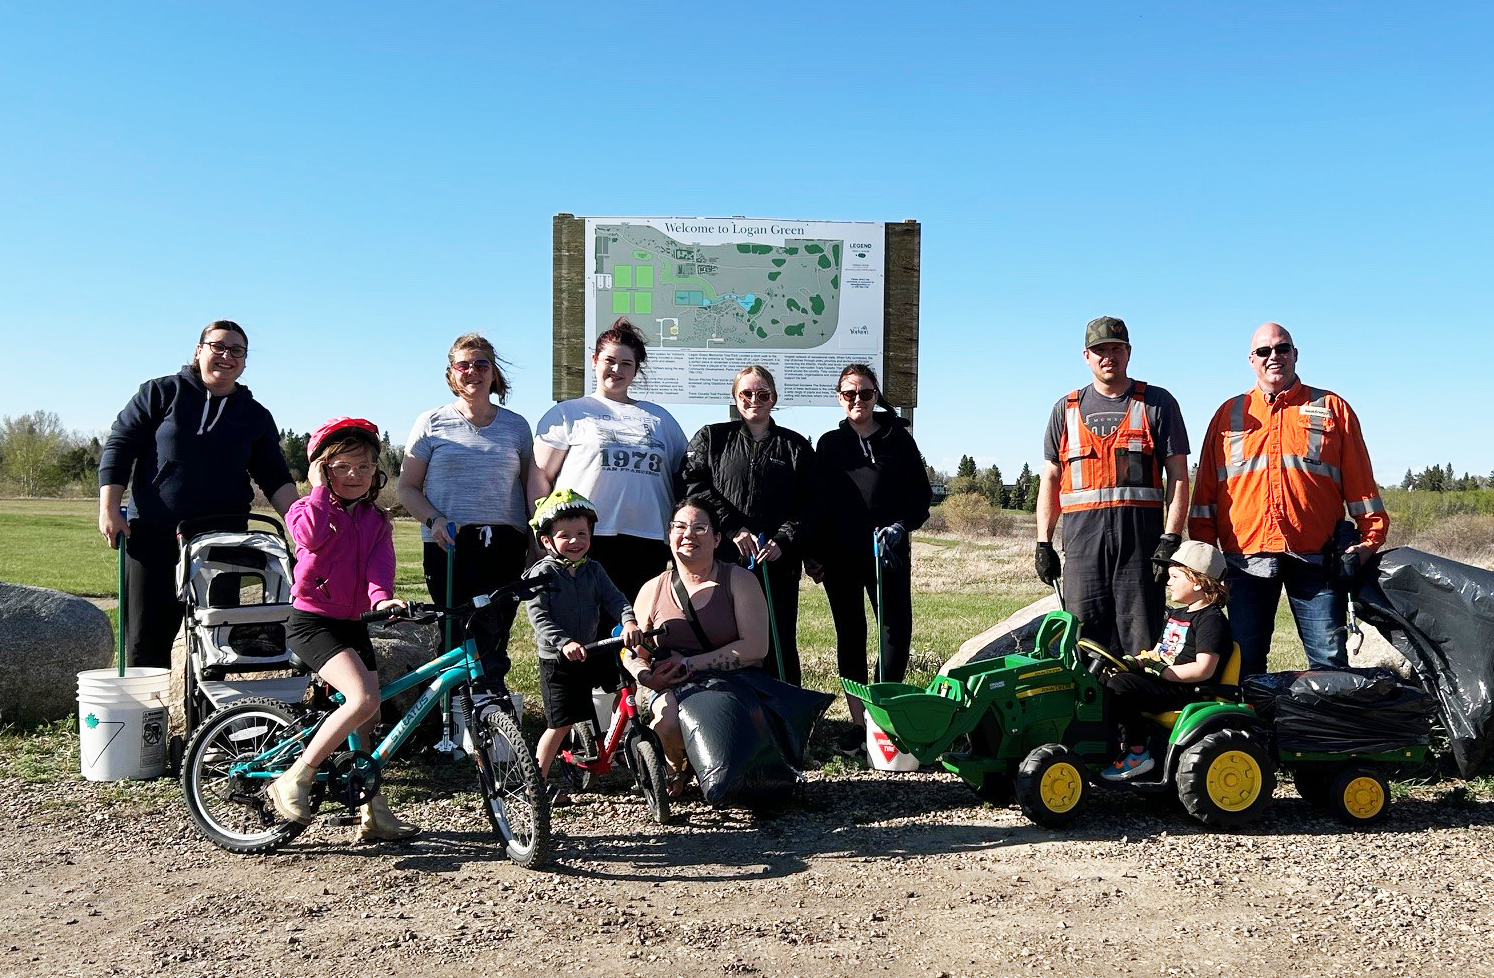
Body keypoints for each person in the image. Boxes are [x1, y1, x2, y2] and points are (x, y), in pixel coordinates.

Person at [97, 320, 299, 670]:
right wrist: (109, 508)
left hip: (223, 545)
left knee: (217, 646)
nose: (226, 355)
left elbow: (275, 478)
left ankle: (209, 722)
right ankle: (147, 722)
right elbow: (119, 447)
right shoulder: (159, 393)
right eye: (218, 346)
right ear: (198, 350)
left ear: (245, 361)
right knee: (145, 643)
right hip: (153, 538)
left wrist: (303, 528)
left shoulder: (254, 415)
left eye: (237, 350)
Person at [1189, 322, 1388, 676]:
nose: (1274, 357)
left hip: (1316, 557)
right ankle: (1252, 730)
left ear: (1295, 354)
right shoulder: (1228, 415)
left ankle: (1325, 730)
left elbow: (1361, 485)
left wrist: (1368, 542)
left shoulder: (1332, 408)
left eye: (1282, 349)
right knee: (1243, 663)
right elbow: (1205, 494)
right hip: (1244, 560)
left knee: (1329, 664)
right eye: (1264, 351)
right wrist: (1206, 562)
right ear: (1251, 360)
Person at [267, 418, 416, 842]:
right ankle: (296, 778)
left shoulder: (375, 519)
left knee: (368, 717)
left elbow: (378, 566)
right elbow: (309, 539)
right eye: (343, 467)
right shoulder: (305, 509)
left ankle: (375, 812)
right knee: (363, 698)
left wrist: (382, 597)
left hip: (352, 623)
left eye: (365, 467)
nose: (355, 476)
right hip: (312, 621)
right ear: (323, 468)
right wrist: (315, 490)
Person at [1035, 316, 1190, 658]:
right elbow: (1050, 478)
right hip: (1082, 546)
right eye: (1100, 349)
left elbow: (1178, 475)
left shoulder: (1157, 403)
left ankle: (1139, 710)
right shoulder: (1065, 409)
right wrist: (1043, 543)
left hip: (1140, 546)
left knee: (1142, 643)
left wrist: (1171, 538)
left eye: (1116, 349)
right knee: (1083, 642)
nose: (1108, 356)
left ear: (1129, 353)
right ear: (1086, 356)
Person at [532, 317, 688, 636]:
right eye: (610, 361)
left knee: (637, 622)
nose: (616, 370)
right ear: (594, 362)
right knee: (586, 623)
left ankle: (629, 685)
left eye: (626, 364)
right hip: (587, 536)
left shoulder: (661, 419)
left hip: (647, 537)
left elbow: (681, 477)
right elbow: (538, 477)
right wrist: (540, 532)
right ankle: (591, 686)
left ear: (636, 369)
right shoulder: (568, 413)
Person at [398, 333, 533, 694]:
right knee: (455, 636)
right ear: (452, 374)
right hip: (450, 545)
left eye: (481, 364)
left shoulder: (517, 426)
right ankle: (454, 719)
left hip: (505, 544)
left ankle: (491, 713)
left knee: (495, 633)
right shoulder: (431, 422)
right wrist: (434, 519)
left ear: (493, 372)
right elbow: (407, 487)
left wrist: (534, 542)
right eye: (464, 365)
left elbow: (527, 488)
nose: (472, 371)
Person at [810, 364, 932, 741]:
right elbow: (818, 502)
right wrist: (812, 552)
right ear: (839, 398)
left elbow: (920, 496)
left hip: (888, 553)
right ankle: (858, 721)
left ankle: (883, 714)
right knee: (851, 634)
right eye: (849, 394)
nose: (858, 400)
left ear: (876, 395)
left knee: (896, 632)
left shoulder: (899, 439)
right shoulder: (829, 444)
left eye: (865, 393)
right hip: (840, 555)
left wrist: (901, 525)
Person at [680, 365, 819, 685]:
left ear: (774, 398)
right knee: (722, 635)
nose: (754, 399)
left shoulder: (795, 446)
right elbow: (695, 487)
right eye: (746, 393)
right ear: (735, 398)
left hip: (776, 563)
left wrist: (784, 540)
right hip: (723, 558)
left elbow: (813, 501)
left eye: (763, 394)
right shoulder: (712, 438)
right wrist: (732, 529)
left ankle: (782, 715)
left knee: (777, 638)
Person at [623, 498, 769, 793]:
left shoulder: (739, 580)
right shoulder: (652, 589)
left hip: (734, 682)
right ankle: (680, 768)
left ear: (716, 539)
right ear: (669, 535)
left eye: (700, 528)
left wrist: (689, 663)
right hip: (671, 686)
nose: (688, 534)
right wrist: (647, 677)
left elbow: (756, 647)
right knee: (667, 723)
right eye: (680, 527)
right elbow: (630, 651)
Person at [523, 490, 643, 804]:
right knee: (559, 725)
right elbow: (539, 617)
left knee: (625, 688)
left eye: (582, 534)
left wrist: (628, 620)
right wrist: (563, 643)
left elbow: (615, 599)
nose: (575, 541)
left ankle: (616, 747)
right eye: (565, 535)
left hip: (591, 651)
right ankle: (536, 784)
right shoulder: (542, 574)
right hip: (559, 661)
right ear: (547, 541)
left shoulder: (594, 569)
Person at [1101, 541, 1233, 781]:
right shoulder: (1177, 614)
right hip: (1164, 682)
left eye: (1174, 576)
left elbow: (1204, 669)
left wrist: (1162, 671)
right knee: (1104, 677)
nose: (1168, 581)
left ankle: (1137, 752)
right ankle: (1111, 745)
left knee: (1120, 686)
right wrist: (1136, 662)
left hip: (1185, 690)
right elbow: (1159, 652)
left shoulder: (1210, 620)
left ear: (1196, 581)